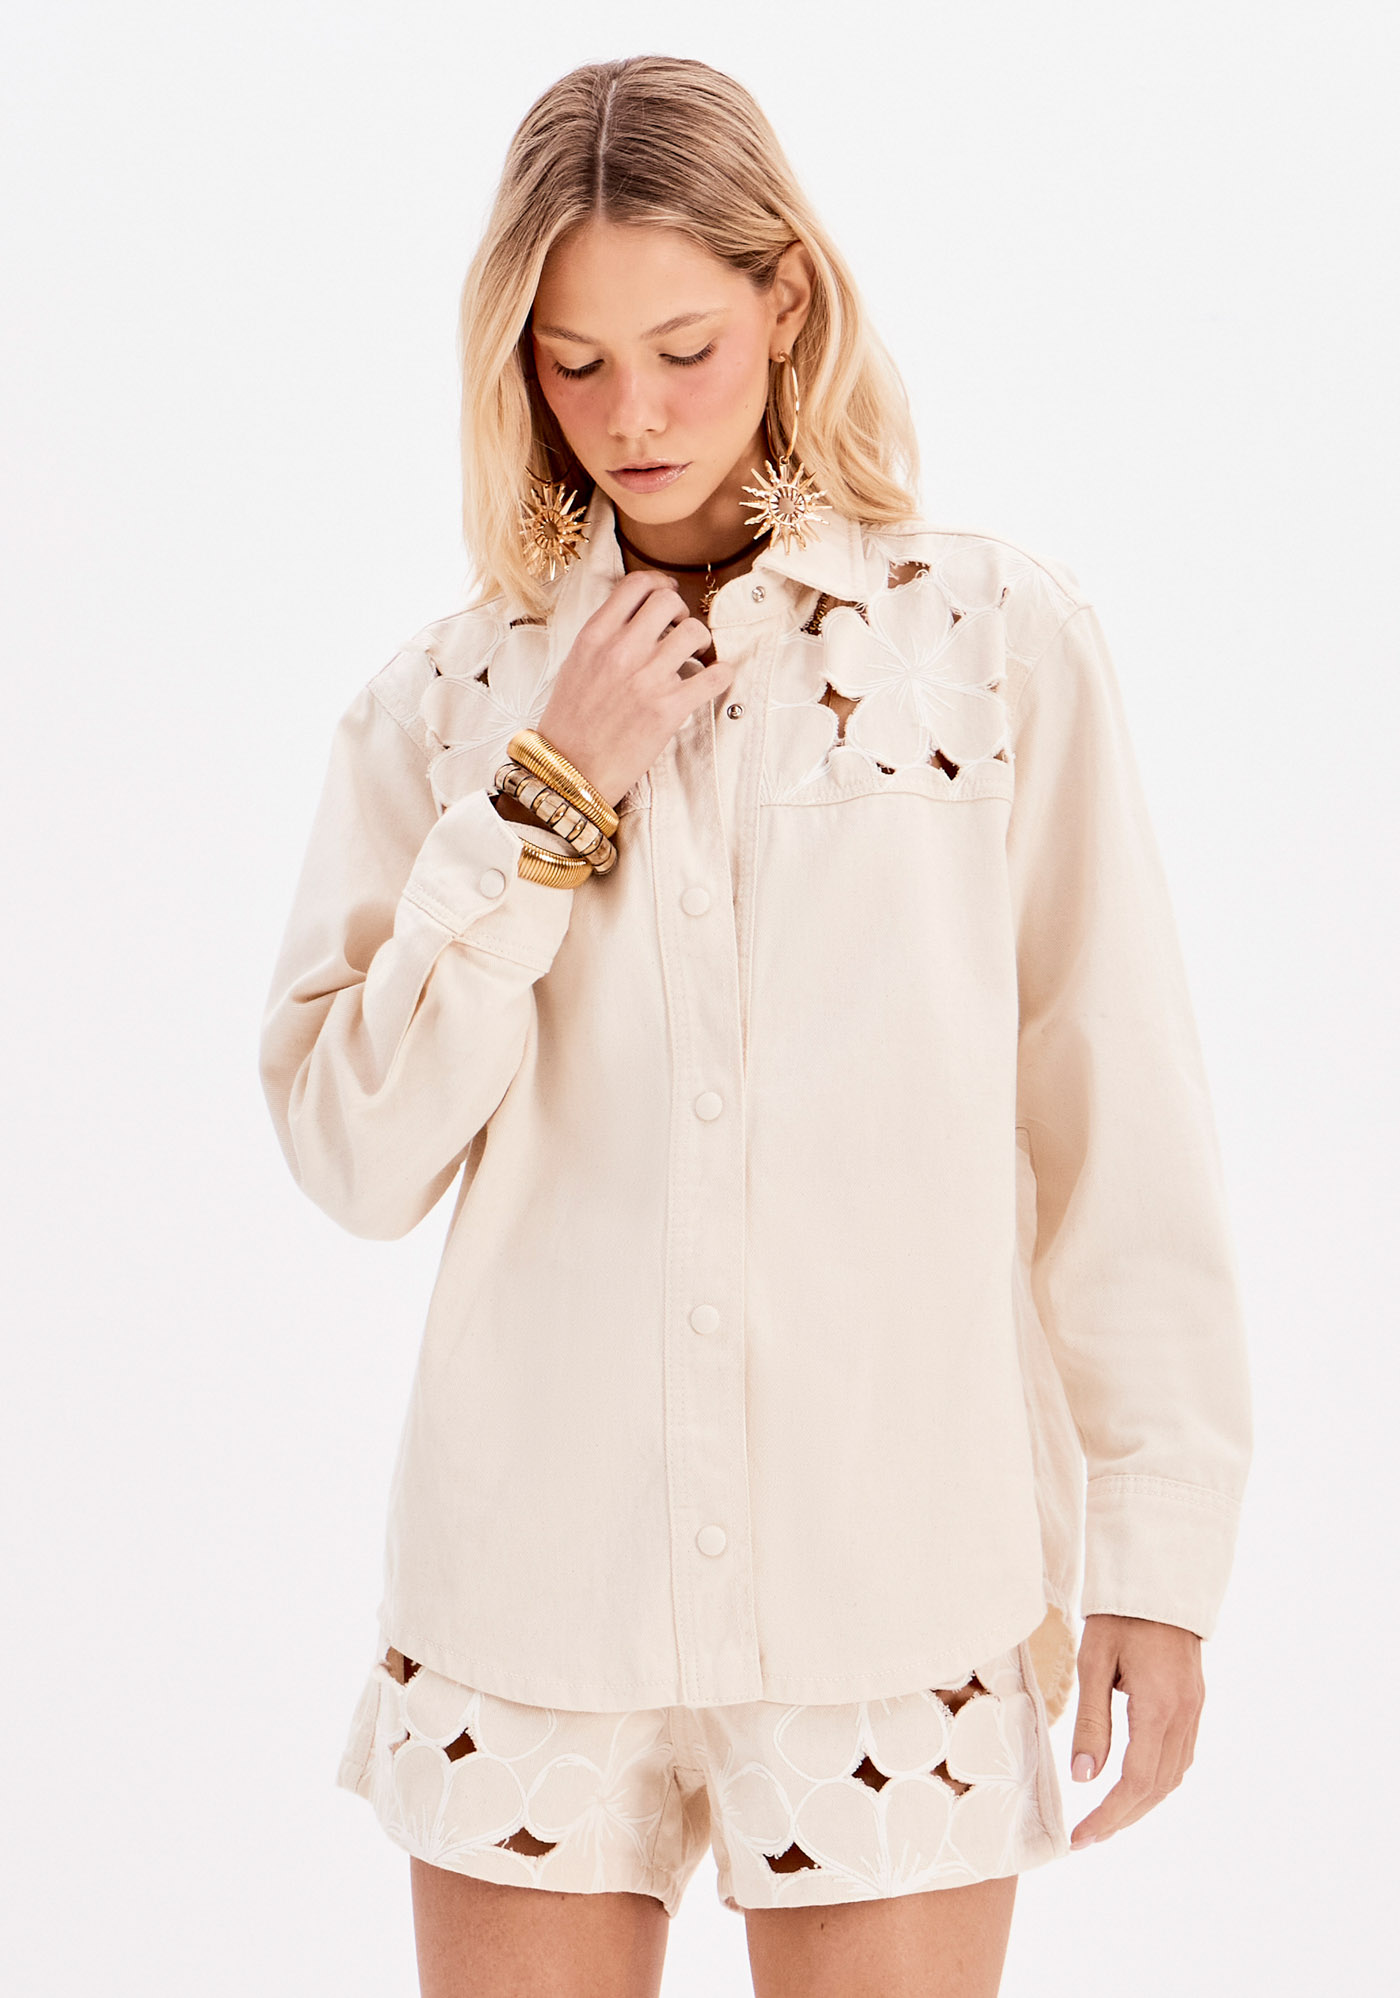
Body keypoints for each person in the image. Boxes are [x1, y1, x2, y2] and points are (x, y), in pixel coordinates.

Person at [258, 54, 1253, 1998]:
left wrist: (1159, 1548)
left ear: (787, 299)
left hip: (897, 1581)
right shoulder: (450, 703)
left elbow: (1114, 1117)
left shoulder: (988, 648)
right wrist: (551, 791)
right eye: (573, 363)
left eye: (684, 349)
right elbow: (355, 1150)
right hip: (534, 1594)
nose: (632, 415)